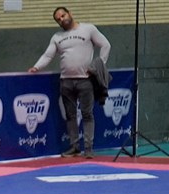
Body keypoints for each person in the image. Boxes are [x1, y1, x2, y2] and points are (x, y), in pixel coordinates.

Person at [28, 6, 111, 158]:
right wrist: (36, 67)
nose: (62, 19)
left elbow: (106, 45)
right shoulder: (57, 37)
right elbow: (47, 55)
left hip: (85, 80)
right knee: (70, 116)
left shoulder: (88, 29)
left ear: (70, 13)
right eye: (58, 19)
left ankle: (88, 149)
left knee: (87, 114)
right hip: (66, 81)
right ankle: (74, 147)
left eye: (63, 15)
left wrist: (98, 65)